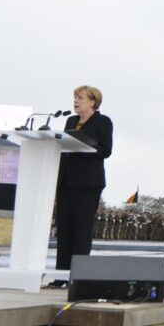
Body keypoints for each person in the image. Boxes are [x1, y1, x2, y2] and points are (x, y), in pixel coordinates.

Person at [52, 85, 113, 278]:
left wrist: (81, 147)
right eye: (75, 98)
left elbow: (105, 150)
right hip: (66, 182)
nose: (76, 101)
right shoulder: (71, 120)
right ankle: (61, 276)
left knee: (81, 230)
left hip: (88, 183)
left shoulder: (102, 122)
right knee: (64, 229)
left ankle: (77, 277)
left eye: (80, 98)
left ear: (92, 101)